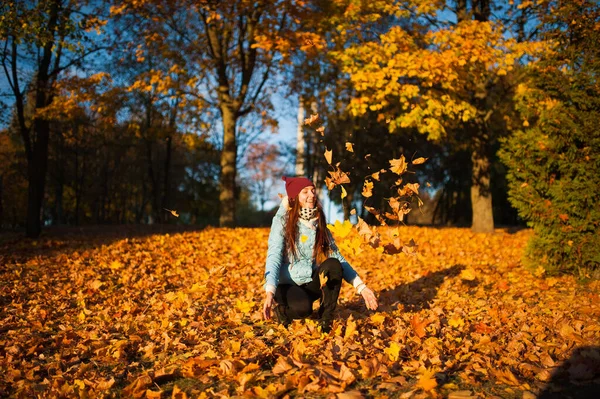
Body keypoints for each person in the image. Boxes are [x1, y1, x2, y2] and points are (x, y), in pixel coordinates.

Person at [262, 176, 378, 333]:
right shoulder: (282, 221)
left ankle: (326, 320)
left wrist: (361, 287)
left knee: (333, 264)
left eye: (312, 190)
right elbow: (274, 256)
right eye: (305, 192)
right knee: (303, 310)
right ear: (295, 197)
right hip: (286, 285)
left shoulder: (319, 222)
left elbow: (338, 257)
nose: (311, 195)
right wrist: (270, 291)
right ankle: (282, 312)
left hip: (309, 280)